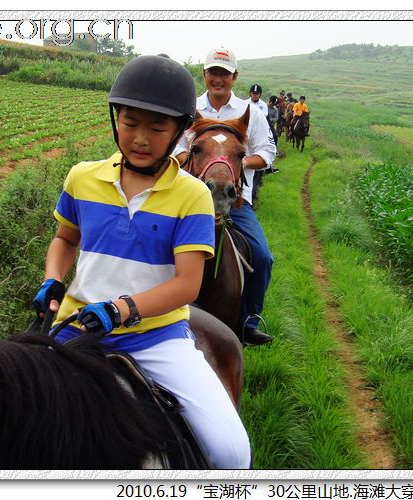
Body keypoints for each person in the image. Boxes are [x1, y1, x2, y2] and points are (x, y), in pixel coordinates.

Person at [33, 54, 251, 469]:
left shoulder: (193, 195)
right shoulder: (82, 177)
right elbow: (64, 239)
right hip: (77, 328)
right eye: (130, 123)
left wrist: (122, 309)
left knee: (231, 451)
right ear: (116, 118)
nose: (139, 138)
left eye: (156, 128)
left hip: (157, 339)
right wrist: (52, 279)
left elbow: (188, 285)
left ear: (180, 131)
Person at [173, 47, 276, 347]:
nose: (218, 79)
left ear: (234, 77)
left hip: (234, 200)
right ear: (204, 75)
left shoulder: (252, 113)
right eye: (213, 72)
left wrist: (233, 164)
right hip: (190, 198)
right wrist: (193, 159)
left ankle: (248, 321)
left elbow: (267, 153)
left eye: (224, 73)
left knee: (262, 257)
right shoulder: (189, 109)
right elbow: (175, 146)